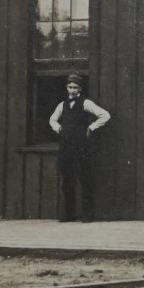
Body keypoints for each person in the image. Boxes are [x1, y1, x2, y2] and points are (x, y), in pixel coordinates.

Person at [49, 73, 110, 222]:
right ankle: (69, 214)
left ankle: (87, 214)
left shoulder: (85, 103)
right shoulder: (62, 104)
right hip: (66, 146)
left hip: (82, 146)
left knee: (84, 179)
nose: (72, 90)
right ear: (66, 87)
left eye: (75, 87)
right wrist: (59, 129)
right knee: (67, 181)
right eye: (70, 87)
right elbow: (52, 119)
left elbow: (105, 115)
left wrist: (91, 127)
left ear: (80, 89)